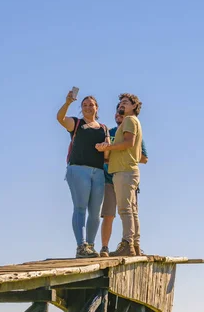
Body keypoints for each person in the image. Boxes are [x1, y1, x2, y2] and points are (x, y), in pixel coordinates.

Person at [57, 91, 108, 258]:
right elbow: (60, 119)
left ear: (96, 108)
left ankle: (91, 246)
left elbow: (107, 150)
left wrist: (105, 147)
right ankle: (81, 246)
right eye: (85, 105)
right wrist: (67, 103)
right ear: (81, 108)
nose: (88, 107)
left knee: (95, 211)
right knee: (80, 208)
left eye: (91, 104)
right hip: (78, 169)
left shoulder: (103, 128)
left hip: (98, 172)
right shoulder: (76, 123)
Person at [96, 92, 143, 257]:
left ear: (134, 106)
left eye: (126, 102)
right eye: (121, 102)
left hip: (124, 170)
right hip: (129, 169)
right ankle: (135, 244)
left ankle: (127, 244)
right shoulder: (133, 121)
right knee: (131, 210)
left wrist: (107, 148)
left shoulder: (129, 120)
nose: (122, 104)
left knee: (125, 210)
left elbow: (128, 143)